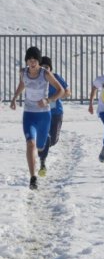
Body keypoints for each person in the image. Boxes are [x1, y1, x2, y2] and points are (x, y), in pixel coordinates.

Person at [10, 46, 65, 190]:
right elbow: (23, 84)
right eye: (29, 59)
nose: (32, 62)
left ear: (39, 61)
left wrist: (48, 100)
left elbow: (61, 90)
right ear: (26, 61)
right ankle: (33, 177)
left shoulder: (45, 73)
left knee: (40, 146)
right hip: (29, 114)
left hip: (44, 116)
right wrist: (15, 98)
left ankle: (44, 143)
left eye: (35, 59)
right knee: (30, 144)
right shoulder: (23, 73)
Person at [37, 56, 71, 177]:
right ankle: (42, 163)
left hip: (56, 113)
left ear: (50, 69)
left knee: (53, 141)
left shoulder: (55, 78)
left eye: (47, 67)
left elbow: (67, 92)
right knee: (45, 137)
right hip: (42, 114)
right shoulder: (36, 79)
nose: (44, 69)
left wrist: (55, 97)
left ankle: (44, 146)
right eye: (42, 67)